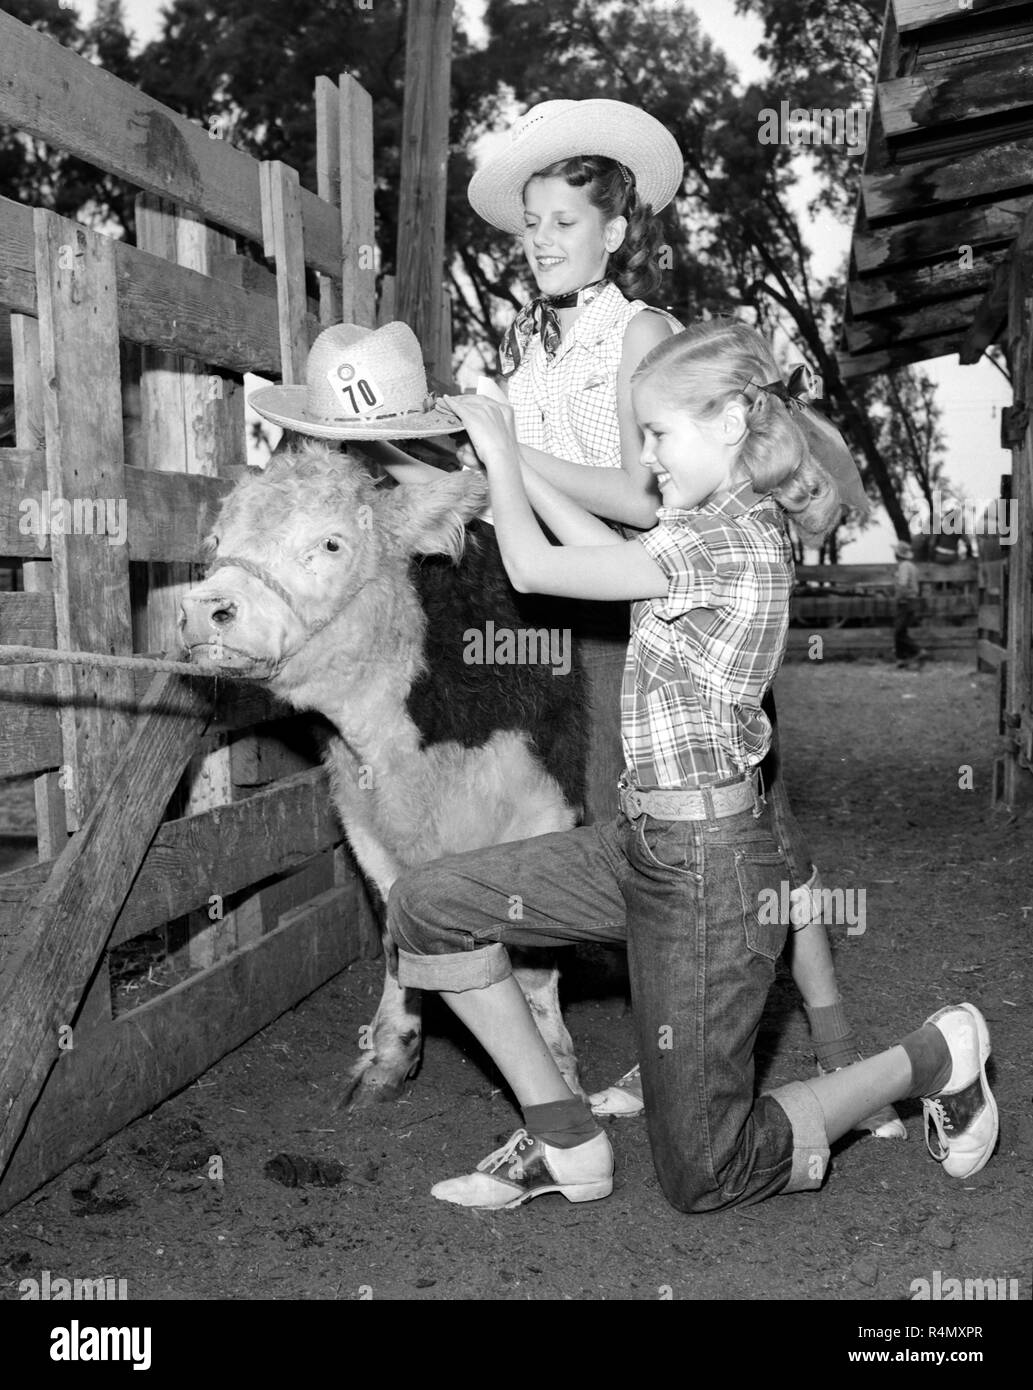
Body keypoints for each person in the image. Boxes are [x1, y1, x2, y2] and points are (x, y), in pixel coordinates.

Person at [366, 97, 901, 1136]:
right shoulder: (530, 349)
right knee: (632, 840)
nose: (540, 244)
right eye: (530, 226)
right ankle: (692, 1051)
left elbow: (640, 494)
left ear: (613, 229)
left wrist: (510, 450)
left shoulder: (641, 333)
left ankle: (830, 1053)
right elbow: (525, 501)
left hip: (658, 605)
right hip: (567, 618)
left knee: (749, 839)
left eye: (562, 222)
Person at [382, 319, 997, 1212]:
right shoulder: (700, 525)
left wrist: (502, 454)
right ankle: (566, 1140)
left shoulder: (729, 540)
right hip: (646, 839)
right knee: (427, 906)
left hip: (709, 863)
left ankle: (934, 1056)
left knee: (705, 1173)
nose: (646, 456)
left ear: (730, 421)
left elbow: (531, 564)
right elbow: (596, 548)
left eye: (658, 433)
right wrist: (506, 459)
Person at [893, 538, 927, 666]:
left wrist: (898, 598)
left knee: (899, 631)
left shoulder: (903, 567)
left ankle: (917, 651)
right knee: (901, 630)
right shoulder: (912, 566)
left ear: (897, 554)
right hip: (912, 600)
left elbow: (902, 584)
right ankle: (902, 658)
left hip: (905, 601)